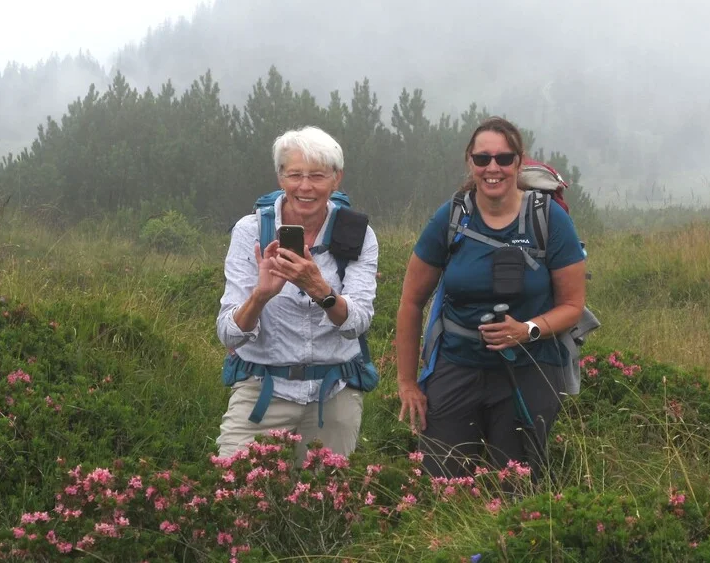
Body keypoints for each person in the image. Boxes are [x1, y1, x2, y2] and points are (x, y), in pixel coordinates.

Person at [395, 117, 587, 479]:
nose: (493, 168)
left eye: (503, 158)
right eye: (483, 159)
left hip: (530, 369)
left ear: (519, 162)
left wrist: (526, 329)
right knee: (442, 485)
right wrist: (407, 383)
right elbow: (410, 302)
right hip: (456, 366)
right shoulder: (451, 217)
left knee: (516, 488)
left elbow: (572, 306)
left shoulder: (549, 220)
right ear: (470, 161)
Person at [216, 126, 379, 460]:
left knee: (322, 504)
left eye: (317, 176)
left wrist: (319, 289)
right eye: (295, 175)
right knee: (234, 492)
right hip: (262, 389)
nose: (305, 187)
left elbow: (358, 322)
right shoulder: (251, 232)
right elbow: (229, 336)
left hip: (333, 394)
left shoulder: (358, 234)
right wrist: (260, 296)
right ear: (280, 177)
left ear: (337, 179)